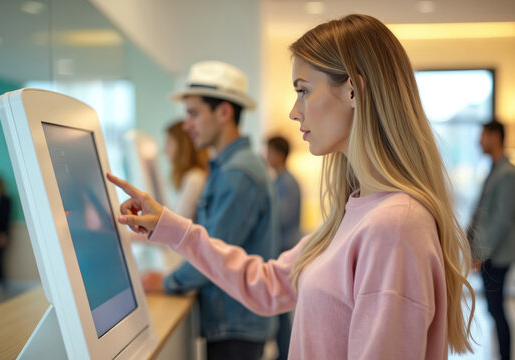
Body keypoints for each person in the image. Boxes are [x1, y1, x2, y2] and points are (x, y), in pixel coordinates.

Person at [108, 14, 476, 359]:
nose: (294, 111)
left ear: (353, 92)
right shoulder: (356, 211)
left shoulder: (395, 225)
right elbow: (268, 284)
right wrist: (169, 227)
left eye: (303, 90)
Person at [143, 61, 279, 359]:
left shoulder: (237, 173)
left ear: (224, 113)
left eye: (193, 114)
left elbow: (213, 252)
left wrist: (165, 282)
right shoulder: (229, 168)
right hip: (233, 321)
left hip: (235, 324)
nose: (187, 125)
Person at [468, 119, 515, 360]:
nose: (479, 141)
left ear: (495, 137)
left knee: (497, 309)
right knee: (493, 308)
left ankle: (505, 355)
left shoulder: (507, 173)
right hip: (491, 253)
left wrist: (481, 252)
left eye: (483, 135)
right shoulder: (496, 169)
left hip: (497, 255)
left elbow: (501, 219)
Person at [266, 135, 302, 360]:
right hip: (281, 247)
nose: (266, 156)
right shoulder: (279, 180)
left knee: (282, 310)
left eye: (269, 152)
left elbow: (282, 217)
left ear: (279, 154)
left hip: (285, 247)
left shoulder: (287, 182)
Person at [164, 120, 208, 220]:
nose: (165, 151)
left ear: (183, 145)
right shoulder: (192, 176)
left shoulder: (195, 178)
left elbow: (176, 225)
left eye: (169, 143)